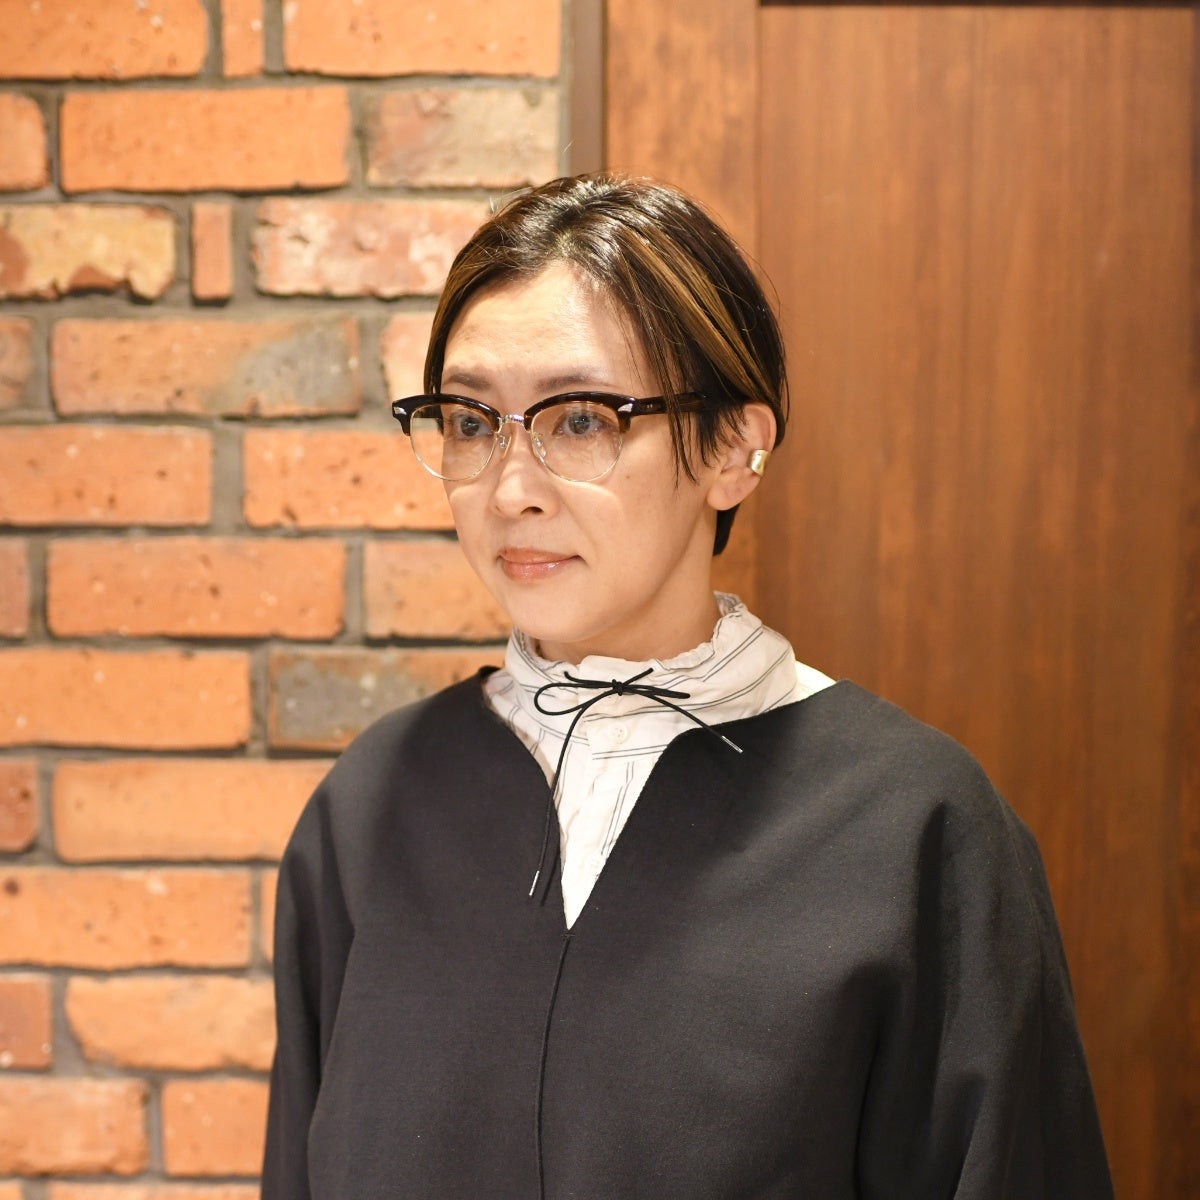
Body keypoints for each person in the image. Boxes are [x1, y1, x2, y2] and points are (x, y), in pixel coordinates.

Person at [262, 173, 1113, 1199]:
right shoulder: (372, 809)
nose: (511, 488)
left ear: (735, 451)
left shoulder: (916, 831)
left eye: (582, 420)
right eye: (471, 421)